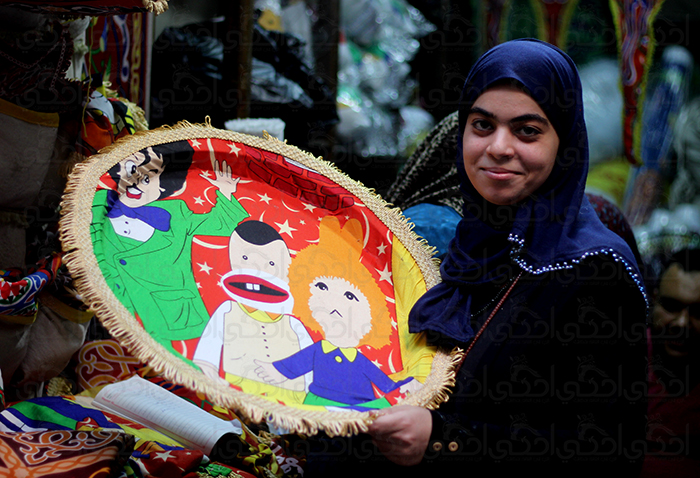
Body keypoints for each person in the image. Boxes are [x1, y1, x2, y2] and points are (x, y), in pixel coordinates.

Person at [304, 39, 648, 476]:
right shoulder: (469, 241)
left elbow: (609, 451)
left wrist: (445, 440)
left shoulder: (593, 269)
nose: (499, 147)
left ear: (565, 142)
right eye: (482, 125)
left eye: (527, 131)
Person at [91, 140, 249, 361]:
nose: (136, 184)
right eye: (130, 173)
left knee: (191, 375)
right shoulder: (97, 207)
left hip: (174, 317)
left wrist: (225, 192)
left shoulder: (176, 213)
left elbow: (221, 225)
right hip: (108, 319)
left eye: (148, 178)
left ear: (164, 185)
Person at [643, 247, 700, 476]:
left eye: (698, 312)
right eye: (671, 306)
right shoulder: (619, 360)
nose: (682, 323)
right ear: (653, 302)